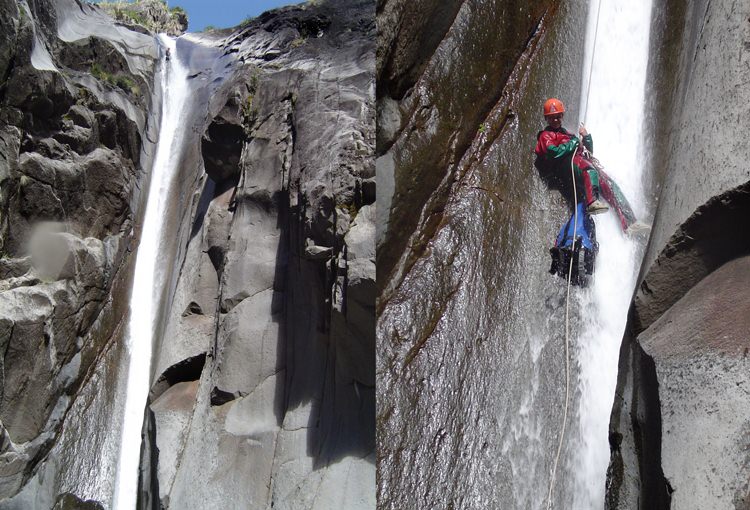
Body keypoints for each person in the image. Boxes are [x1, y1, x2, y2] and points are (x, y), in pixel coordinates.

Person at [534, 98, 649, 235]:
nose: (556, 120)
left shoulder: (567, 135)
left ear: (562, 116)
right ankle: (592, 202)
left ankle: (630, 223)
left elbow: (587, 154)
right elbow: (553, 153)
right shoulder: (546, 136)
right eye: (552, 118)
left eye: (558, 116)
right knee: (589, 170)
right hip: (564, 171)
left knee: (610, 186)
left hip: (577, 166)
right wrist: (574, 143)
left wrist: (586, 137)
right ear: (547, 118)